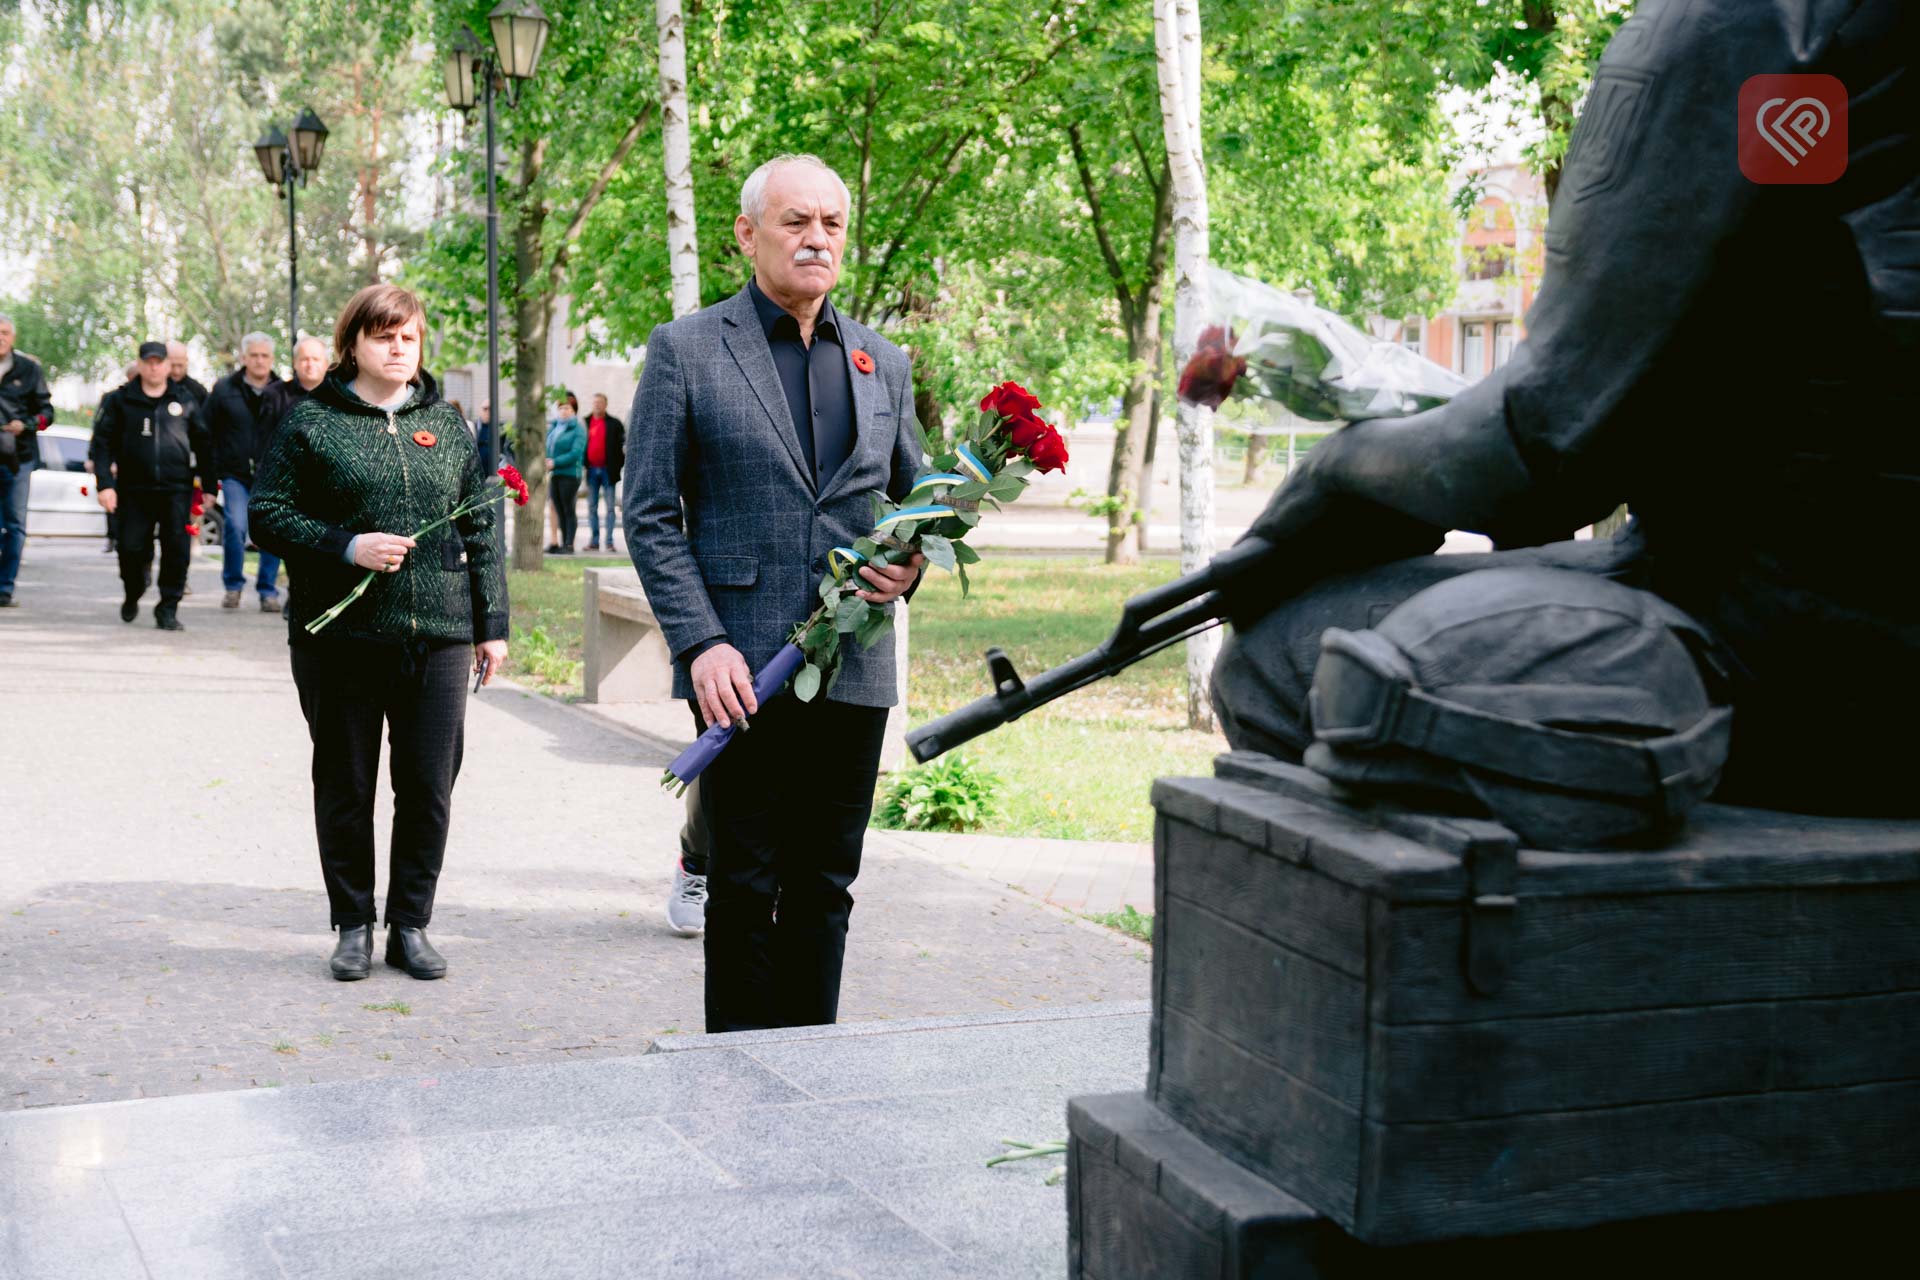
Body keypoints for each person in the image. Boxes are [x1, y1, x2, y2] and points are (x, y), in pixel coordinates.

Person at [1211, 0, 1918, 826]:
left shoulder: (1750, 20)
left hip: (1810, 670)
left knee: (1282, 652)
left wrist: (1333, 476)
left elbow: (1541, 451)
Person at [626, 153, 925, 1032]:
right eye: (797, 222)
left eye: (832, 223)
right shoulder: (686, 349)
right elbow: (648, 513)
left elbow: (915, 506)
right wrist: (699, 641)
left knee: (828, 886)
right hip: (741, 668)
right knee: (746, 885)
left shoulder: (883, 360)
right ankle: (738, 1085)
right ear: (748, 234)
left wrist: (911, 569)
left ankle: (811, 1080)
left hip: (855, 663)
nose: (817, 239)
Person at [250, 283, 509, 982]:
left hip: (442, 635)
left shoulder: (447, 425)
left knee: (428, 787)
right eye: (384, 336)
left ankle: (412, 925)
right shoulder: (312, 424)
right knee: (346, 784)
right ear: (353, 344)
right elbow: (266, 516)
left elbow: (482, 527)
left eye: (409, 337)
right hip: (341, 640)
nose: (399, 348)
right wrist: (346, 545)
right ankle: (353, 925)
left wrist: (493, 626)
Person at [89, 342, 215, 630]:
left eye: (160, 362)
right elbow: (101, 446)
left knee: (176, 550)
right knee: (131, 548)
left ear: (169, 366)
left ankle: (167, 608)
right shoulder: (120, 401)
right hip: (133, 490)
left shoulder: (185, 399)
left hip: (176, 490)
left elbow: (204, 445)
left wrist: (209, 485)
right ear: (141, 364)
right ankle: (133, 591)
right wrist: (105, 485)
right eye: (149, 362)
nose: (155, 367)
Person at [200, 332, 284, 612]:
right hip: (235, 473)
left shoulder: (282, 390)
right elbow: (205, 433)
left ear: (271, 359)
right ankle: (233, 586)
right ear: (244, 358)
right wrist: (209, 476)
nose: (259, 361)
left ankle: (267, 590)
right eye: (254, 355)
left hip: (272, 474)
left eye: (265, 356)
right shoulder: (224, 389)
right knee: (235, 526)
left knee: (272, 530)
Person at [0, 314, 54, 608]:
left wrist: (27, 423)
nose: (1, 337)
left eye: (5, 332)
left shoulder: (29, 370)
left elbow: (48, 413)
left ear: (13, 337)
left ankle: (5, 588)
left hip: (17, 457)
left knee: (14, 524)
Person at [259, 336, 327, 447]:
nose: (310, 364)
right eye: (305, 359)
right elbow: (265, 440)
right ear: (295, 363)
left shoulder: (338, 397)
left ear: (326, 364)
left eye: (316, 359)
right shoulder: (274, 394)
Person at [582, 392, 625, 551]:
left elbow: (622, 448)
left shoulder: (614, 424)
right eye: (595, 402)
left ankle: (609, 541)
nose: (597, 405)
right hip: (591, 471)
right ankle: (594, 541)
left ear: (606, 404)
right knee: (592, 507)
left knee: (610, 508)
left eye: (600, 402)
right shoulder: (585, 423)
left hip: (609, 471)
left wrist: (617, 466)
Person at [544, 392, 585, 555]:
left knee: (568, 509)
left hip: (570, 474)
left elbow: (575, 453)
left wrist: (555, 462)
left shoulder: (578, 429)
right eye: (561, 408)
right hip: (555, 474)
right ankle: (561, 542)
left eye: (567, 408)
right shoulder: (554, 427)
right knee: (558, 509)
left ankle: (569, 544)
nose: (564, 411)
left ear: (574, 410)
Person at [166, 340, 209, 412]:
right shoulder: (152, 387)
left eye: (180, 365)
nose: (177, 371)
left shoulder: (198, 391)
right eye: (172, 365)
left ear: (186, 361)